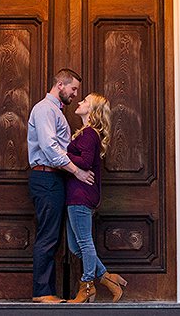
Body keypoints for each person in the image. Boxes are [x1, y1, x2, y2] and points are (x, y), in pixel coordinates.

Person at [26, 69, 96, 304]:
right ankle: (42, 292)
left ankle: (48, 290)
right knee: (48, 235)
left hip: (55, 179)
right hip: (46, 178)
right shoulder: (45, 109)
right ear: (60, 85)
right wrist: (77, 171)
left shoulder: (56, 111)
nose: (75, 94)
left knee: (54, 235)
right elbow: (49, 147)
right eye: (73, 89)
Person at [65, 93, 127, 303]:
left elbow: (85, 161)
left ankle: (88, 285)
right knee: (76, 246)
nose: (80, 102)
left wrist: (62, 153)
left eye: (85, 101)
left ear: (92, 111)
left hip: (81, 195)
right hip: (76, 194)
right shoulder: (85, 133)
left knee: (84, 242)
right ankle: (109, 279)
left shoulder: (89, 133)